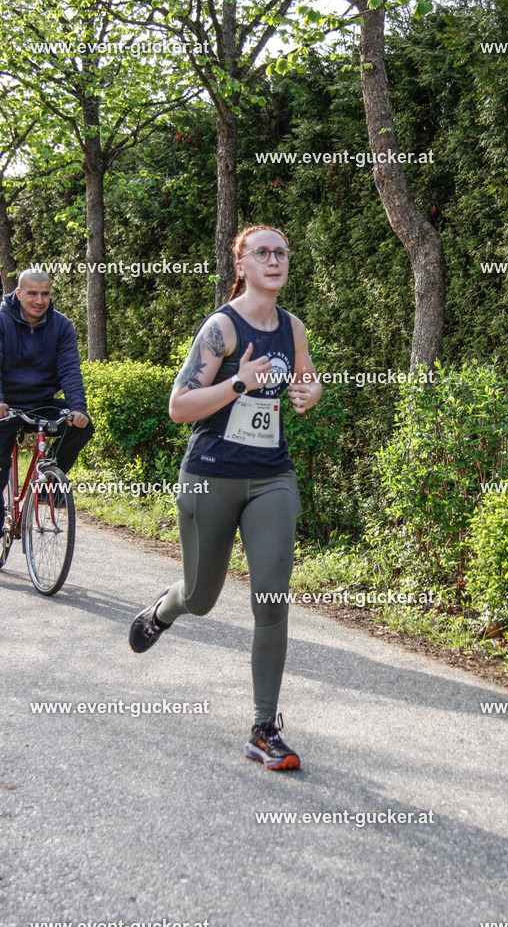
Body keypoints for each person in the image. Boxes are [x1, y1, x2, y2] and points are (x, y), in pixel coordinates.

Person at [129, 225, 322, 771]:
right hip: (210, 476)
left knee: (272, 597)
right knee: (201, 596)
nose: (274, 260)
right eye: (262, 253)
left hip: (272, 477)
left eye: (281, 252)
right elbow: (179, 407)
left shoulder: (293, 327)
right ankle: (166, 608)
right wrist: (239, 383)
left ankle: (264, 728)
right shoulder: (222, 328)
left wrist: (309, 392)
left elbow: (308, 381)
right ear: (241, 265)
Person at [0, 270, 93, 523]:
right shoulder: (2, 320)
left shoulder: (61, 325)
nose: (39, 300)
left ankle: (46, 483)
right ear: (18, 294)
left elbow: (70, 370)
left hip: (41, 403)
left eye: (45, 294)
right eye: (32, 293)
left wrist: (78, 408)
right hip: (6, 406)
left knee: (82, 427)